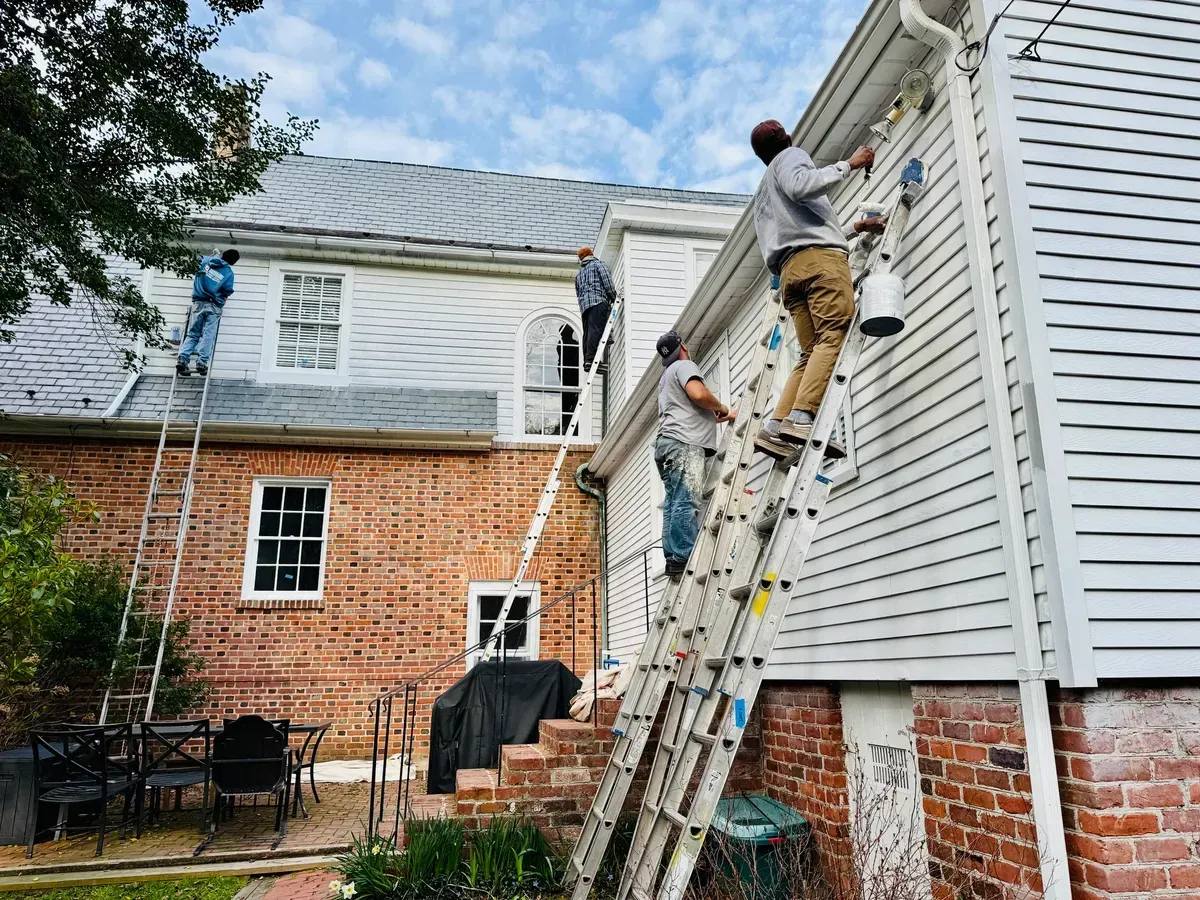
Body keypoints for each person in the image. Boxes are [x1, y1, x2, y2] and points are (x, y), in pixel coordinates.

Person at [747, 119, 886, 462]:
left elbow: (802, 228)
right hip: (819, 264)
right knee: (834, 335)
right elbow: (801, 186)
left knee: (810, 353)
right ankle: (802, 418)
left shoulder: (763, 193)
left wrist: (855, 228)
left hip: (790, 274)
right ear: (787, 139)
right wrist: (850, 164)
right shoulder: (791, 157)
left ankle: (776, 424)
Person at [654, 331, 736, 580]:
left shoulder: (666, 376)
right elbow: (699, 394)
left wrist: (723, 416)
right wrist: (721, 406)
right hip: (683, 444)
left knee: (673, 502)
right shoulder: (684, 365)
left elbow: (686, 409)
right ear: (683, 347)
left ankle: (673, 557)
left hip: (667, 444)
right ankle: (684, 554)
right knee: (685, 501)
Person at [177, 248, 240, 377]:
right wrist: (221, 302)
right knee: (208, 334)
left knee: (193, 333)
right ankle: (201, 363)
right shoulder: (228, 273)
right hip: (214, 306)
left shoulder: (206, 261)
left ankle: (183, 359)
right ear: (233, 262)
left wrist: (213, 256)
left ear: (223, 254)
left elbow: (196, 261)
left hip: (198, 303)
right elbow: (227, 291)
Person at [574, 247, 617, 371]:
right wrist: (614, 297)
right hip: (598, 301)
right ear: (591, 254)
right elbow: (607, 283)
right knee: (596, 329)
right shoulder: (598, 265)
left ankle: (588, 360)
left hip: (584, 306)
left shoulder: (579, 275)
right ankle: (592, 359)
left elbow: (578, 293)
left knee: (587, 333)